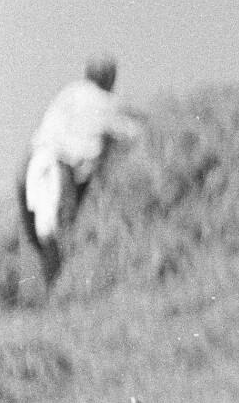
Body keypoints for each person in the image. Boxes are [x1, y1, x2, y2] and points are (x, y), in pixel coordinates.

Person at [17, 58, 145, 288]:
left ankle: (47, 288)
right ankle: (60, 288)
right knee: (61, 232)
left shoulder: (71, 91)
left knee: (41, 235)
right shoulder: (105, 101)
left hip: (30, 163)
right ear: (108, 78)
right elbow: (130, 131)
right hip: (59, 167)